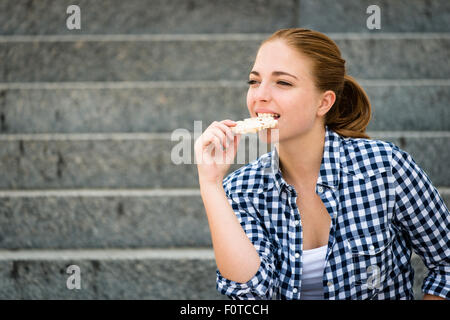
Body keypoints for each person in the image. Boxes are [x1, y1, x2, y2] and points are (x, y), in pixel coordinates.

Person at [194, 28, 449, 300]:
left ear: (323, 102)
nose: (260, 96)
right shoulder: (239, 190)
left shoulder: (385, 168)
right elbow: (251, 295)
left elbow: (446, 263)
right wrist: (211, 184)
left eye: (283, 83)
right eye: (254, 82)